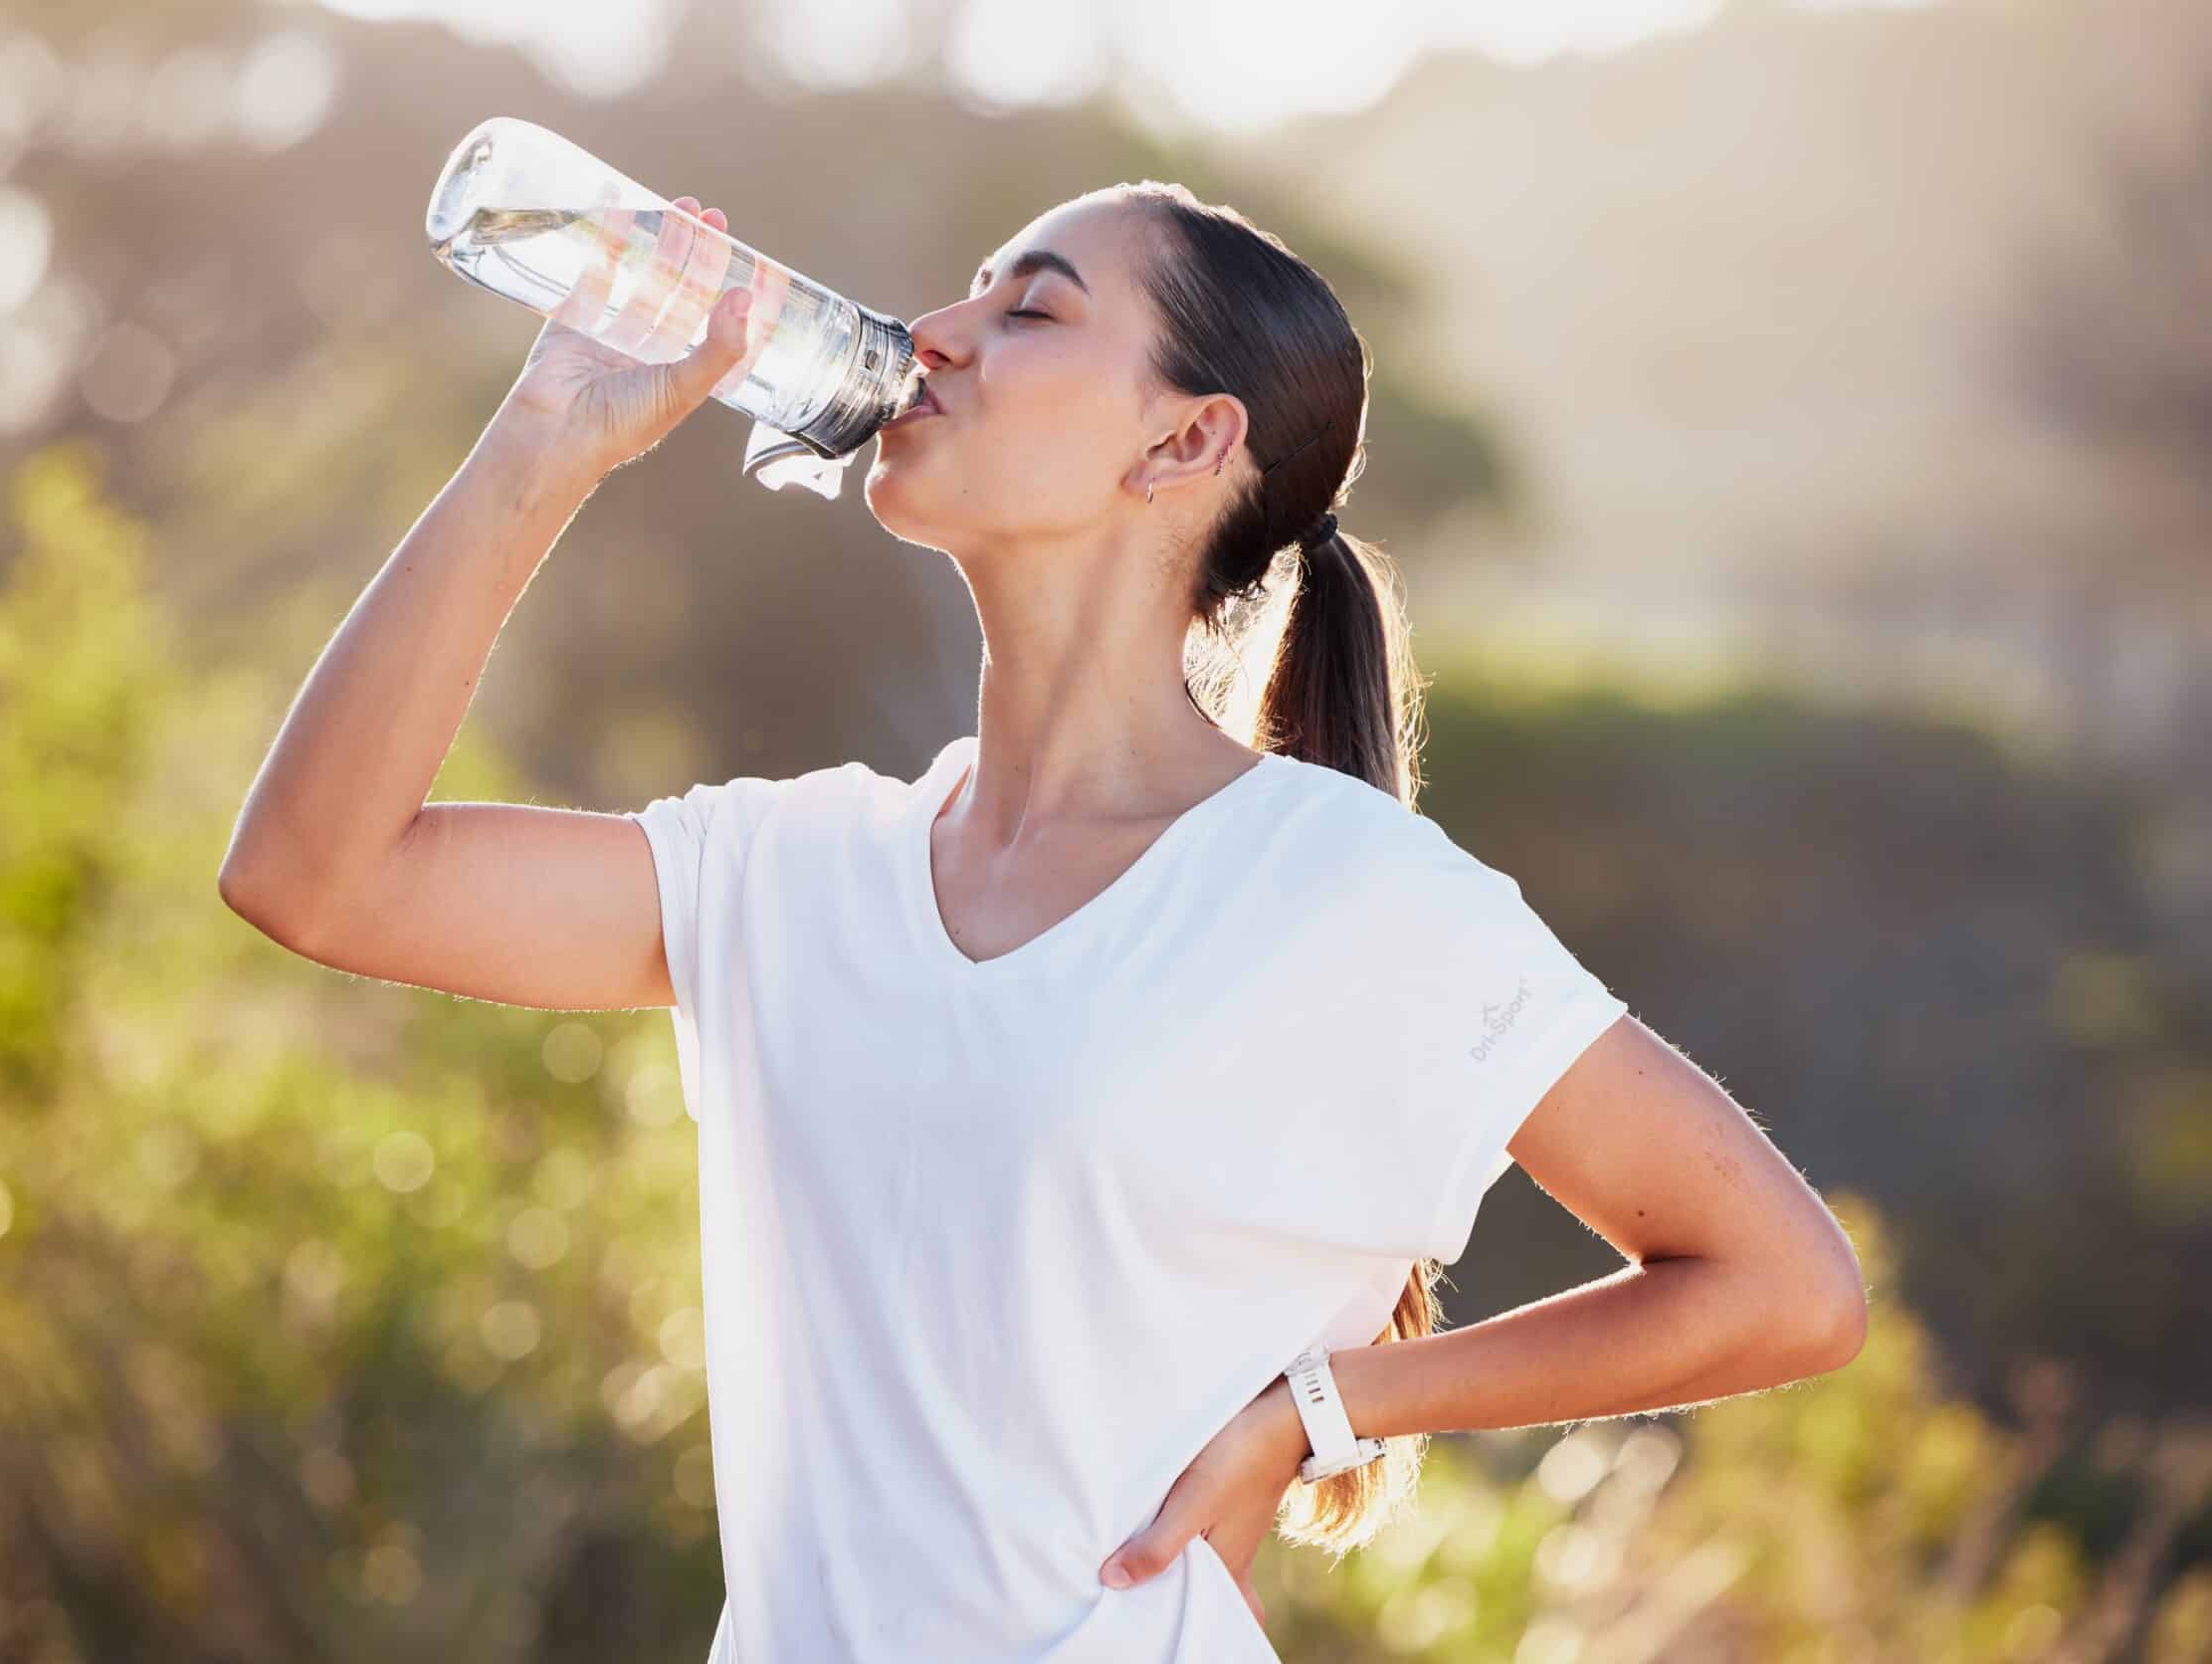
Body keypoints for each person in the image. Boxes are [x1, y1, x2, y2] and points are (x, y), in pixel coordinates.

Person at [218, 183, 1870, 1663]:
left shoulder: (1343, 892)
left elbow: (1783, 1284)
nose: (935, 336)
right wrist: (544, 438)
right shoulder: (793, 871)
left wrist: (1333, 1405)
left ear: (1183, 446)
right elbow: (317, 876)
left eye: (1033, 310)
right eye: (967, 294)